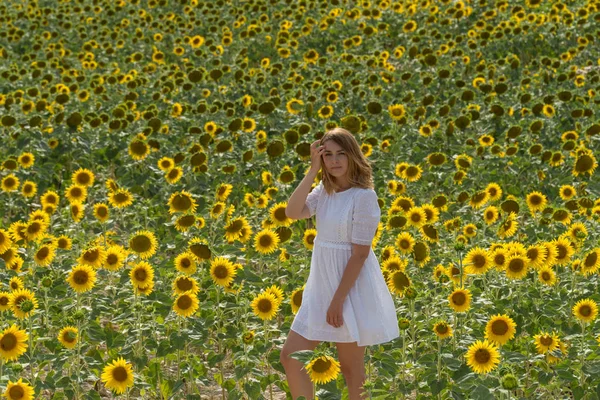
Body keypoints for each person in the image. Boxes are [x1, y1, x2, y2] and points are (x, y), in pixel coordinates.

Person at [280, 128, 399, 400]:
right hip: (321, 287)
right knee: (291, 356)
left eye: (341, 154)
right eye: (328, 154)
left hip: (350, 289)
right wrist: (312, 172)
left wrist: (338, 301)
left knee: (351, 371)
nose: (334, 161)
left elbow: (359, 254)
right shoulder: (324, 191)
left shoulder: (363, 197)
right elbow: (292, 212)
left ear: (353, 156)